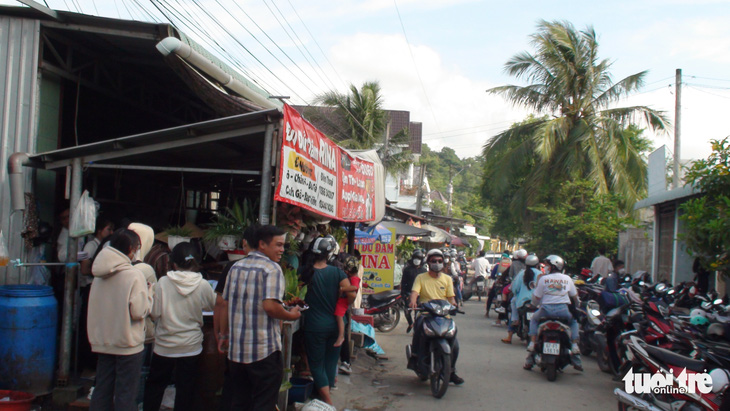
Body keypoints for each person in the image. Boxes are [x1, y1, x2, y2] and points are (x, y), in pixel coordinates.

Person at [221, 225, 301, 411]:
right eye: (278, 245)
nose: (282, 250)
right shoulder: (271, 269)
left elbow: (224, 303)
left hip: (237, 354)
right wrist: (291, 314)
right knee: (264, 404)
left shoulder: (235, 267)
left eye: (283, 245)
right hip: (263, 352)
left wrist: (224, 335)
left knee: (240, 403)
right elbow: (270, 306)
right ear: (262, 245)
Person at [143, 242, 216, 411]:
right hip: (191, 345)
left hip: (164, 345)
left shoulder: (162, 282)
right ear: (196, 262)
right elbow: (212, 305)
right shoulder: (202, 284)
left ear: (173, 263)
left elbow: (154, 313)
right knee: (186, 388)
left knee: (155, 385)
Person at [87, 228, 153, 411]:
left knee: (102, 389)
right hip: (127, 343)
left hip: (103, 341)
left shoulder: (99, 274)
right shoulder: (134, 275)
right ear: (131, 249)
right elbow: (138, 311)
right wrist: (149, 295)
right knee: (126, 394)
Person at [302, 235, 355, 405]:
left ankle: (327, 402)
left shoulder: (305, 273)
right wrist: (343, 295)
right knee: (330, 364)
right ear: (328, 254)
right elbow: (351, 296)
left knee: (316, 365)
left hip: (314, 326)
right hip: (336, 326)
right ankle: (325, 399)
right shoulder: (337, 272)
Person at [408, 249, 464, 385]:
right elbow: (415, 292)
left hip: (444, 315)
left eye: (439, 261)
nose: (437, 264)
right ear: (428, 262)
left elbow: (451, 297)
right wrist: (413, 301)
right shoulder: (421, 277)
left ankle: (451, 371)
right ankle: (415, 357)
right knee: (418, 329)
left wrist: (454, 304)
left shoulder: (447, 279)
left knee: (455, 345)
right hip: (426, 314)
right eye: (434, 261)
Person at [524, 255, 582, 372]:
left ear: (554, 266)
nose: (546, 268)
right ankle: (575, 346)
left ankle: (533, 342)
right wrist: (577, 306)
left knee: (534, 320)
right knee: (574, 322)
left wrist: (533, 305)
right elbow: (575, 297)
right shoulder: (567, 279)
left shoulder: (544, 279)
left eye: (548, 265)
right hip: (563, 311)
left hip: (545, 311)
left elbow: (536, 297)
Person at [502, 254, 539, 344]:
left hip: (522, 302)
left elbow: (515, 288)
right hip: (537, 302)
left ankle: (511, 333)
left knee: (513, 302)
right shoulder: (541, 274)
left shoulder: (522, 273)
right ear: (537, 264)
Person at [337, 255, 361, 376]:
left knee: (340, 319)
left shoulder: (353, 279)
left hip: (344, 305)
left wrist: (342, 288)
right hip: (346, 305)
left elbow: (353, 290)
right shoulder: (350, 277)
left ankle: (345, 361)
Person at [335, 255, 361, 347]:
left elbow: (354, 287)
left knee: (339, 316)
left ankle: (341, 335)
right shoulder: (353, 277)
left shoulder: (354, 279)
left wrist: (343, 288)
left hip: (344, 301)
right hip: (344, 300)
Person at [401, 249, 427, 333]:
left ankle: (416, 329)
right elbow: (403, 282)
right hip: (409, 293)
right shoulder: (407, 270)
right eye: (415, 258)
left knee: (417, 314)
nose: (417, 260)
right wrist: (404, 294)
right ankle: (410, 323)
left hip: (420, 295)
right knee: (406, 311)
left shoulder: (424, 271)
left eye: (419, 258)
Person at [486, 252, 511, 318]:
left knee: (490, 296)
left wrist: (493, 277)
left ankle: (487, 312)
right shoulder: (510, 265)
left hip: (499, 283)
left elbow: (492, 275)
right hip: (507, 284)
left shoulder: (497, 265)